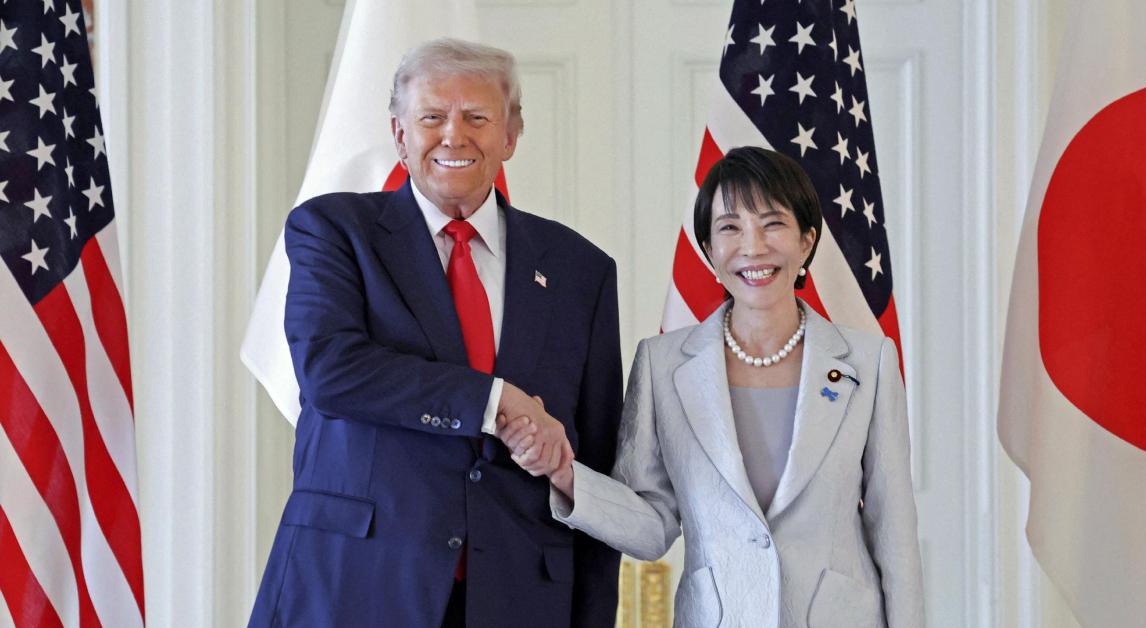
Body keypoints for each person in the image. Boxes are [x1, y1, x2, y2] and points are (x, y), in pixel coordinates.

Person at [249, 38, 623, 628]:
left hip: (521, 598)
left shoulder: (582, 269)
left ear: (511, 136)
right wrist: (496, 402)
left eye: (477, 117)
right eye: (432, 117)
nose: (454, 135)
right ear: (399, 134)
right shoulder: (335, 231)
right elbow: (331, 371)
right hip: (355, 587)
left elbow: (598, 462)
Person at [499, 147, 924, 627]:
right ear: (709, 251)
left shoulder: (868, 362)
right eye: (730, 228)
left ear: (807, 242)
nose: (753, 247)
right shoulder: (661, 365)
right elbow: (652, 524)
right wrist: (564, 473)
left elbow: (894, 531)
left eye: (773, 224)